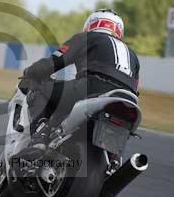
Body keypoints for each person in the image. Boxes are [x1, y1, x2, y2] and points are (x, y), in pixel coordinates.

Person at [18, 9, 140, 150]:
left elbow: (53, 63)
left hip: (92, 87)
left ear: (91, 24)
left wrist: (31, 73)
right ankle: (113, 161)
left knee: (39, 88)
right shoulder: (133, 55)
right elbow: (136, 86)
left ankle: (40, 137)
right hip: (128, 101)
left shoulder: (87, 37)